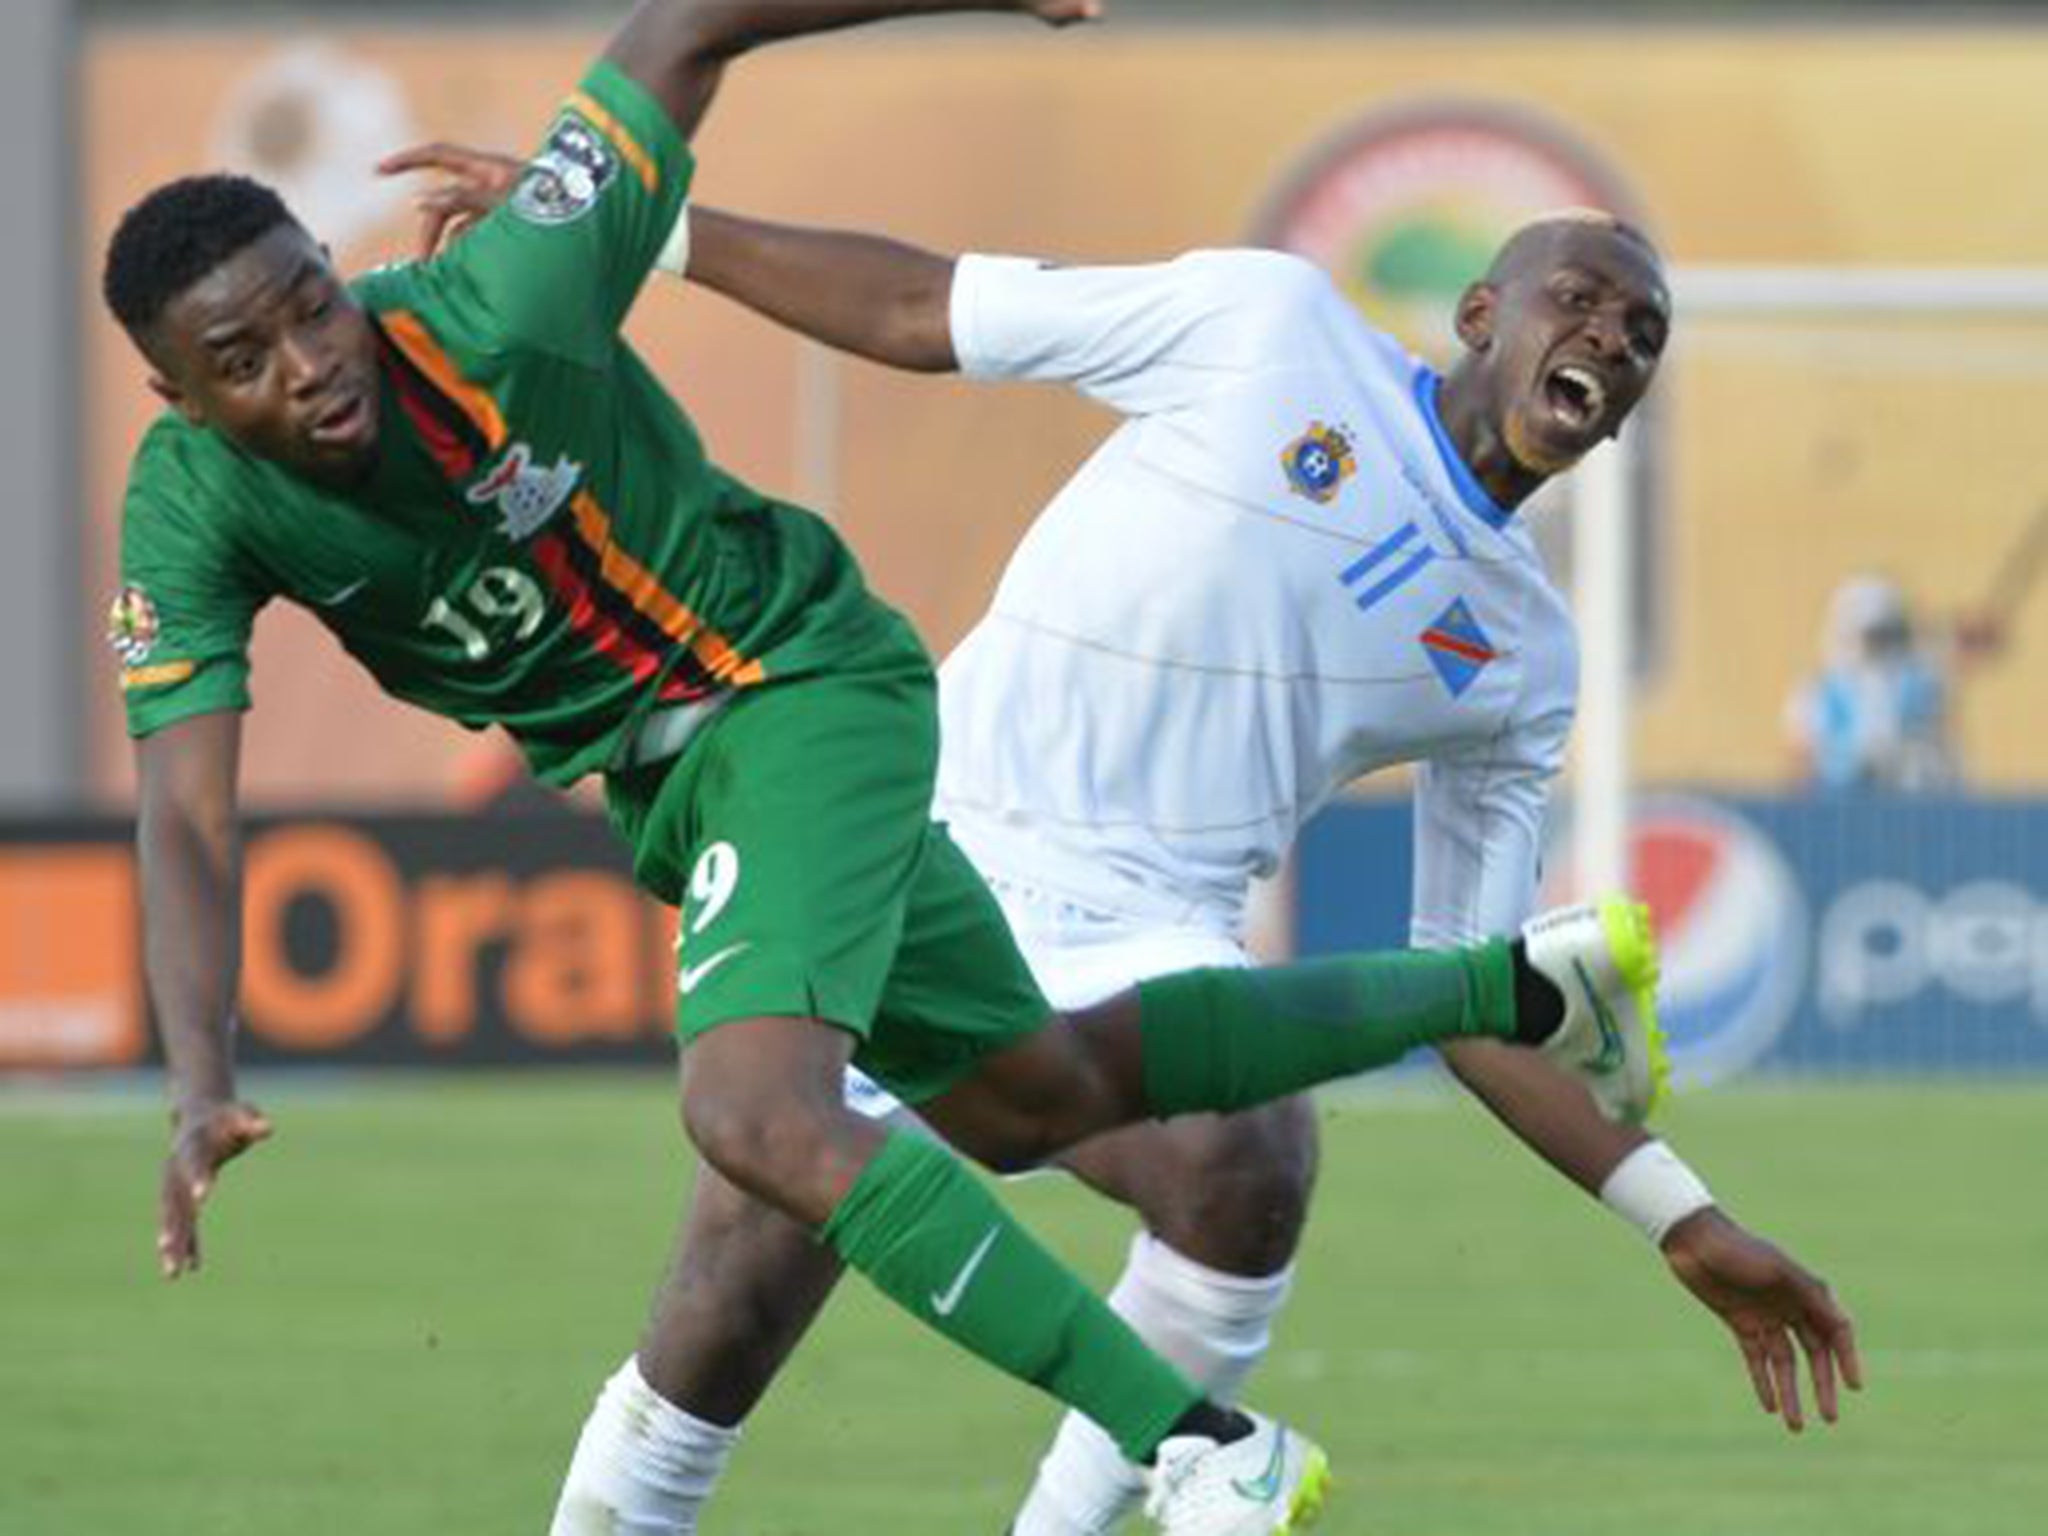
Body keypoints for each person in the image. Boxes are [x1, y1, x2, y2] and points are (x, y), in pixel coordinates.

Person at [99, 4, 1704, 1534]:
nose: (310, 361)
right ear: (179, 400)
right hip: (725, 784)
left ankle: (1202, 1442)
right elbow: (184, 803)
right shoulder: (188, 515)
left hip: (797, 691)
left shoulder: (496, 304)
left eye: (314, 303)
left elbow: (688, 18)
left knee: (760, 1113)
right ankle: (1515, 987)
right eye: (246, 356)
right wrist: (197, 1074)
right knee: (1025, 1108)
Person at [388, 140, 1864, 1536]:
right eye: (1581, 297)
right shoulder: (1269, 325)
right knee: (732, 1299)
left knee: (1250, 1160)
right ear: (1485, 314)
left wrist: (1679, 1217)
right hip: (915, 826)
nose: (1611, 333)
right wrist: (639, 228)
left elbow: (1478, 994)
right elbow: (925, 308)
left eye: (1643, 329)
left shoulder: (1526, 660)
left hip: (1147, 929)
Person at [1785, 572, 1961, 791]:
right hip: (1840, 806)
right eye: (1872, 638)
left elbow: (1945, 759)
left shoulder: (1923, 686)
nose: (1878, 648)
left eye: (1886, 636)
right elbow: (1802, 768)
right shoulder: (1816, 693)